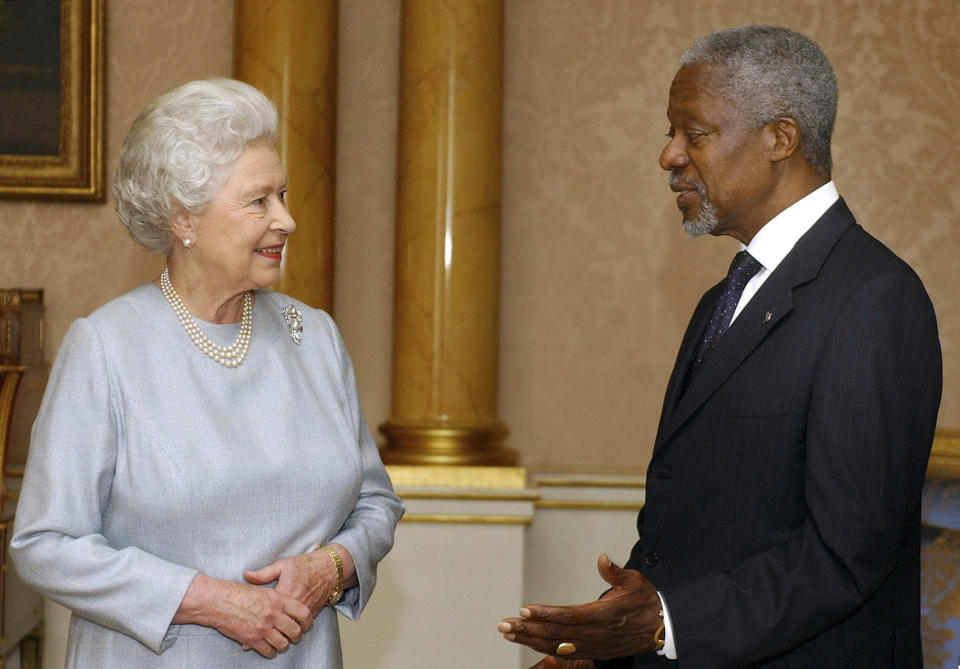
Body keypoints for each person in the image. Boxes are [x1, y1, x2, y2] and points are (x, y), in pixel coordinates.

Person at [498, 25, 942, 668]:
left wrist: (660, 627)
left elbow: (844, 556)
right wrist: (596, 647)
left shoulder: (873, 297)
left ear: (779, 139)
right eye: (671, 133)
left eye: (694, 133)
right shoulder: (723, 300)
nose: (669, 156)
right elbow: (695, 528)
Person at [11, 78, 404, 667]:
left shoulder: (314, 336)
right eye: (259, 200)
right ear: (182, 217)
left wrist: (332, 566)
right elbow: (46, 545)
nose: (287, 220)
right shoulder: (107, 349)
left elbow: (376, 503)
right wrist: (208, 600)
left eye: (284, 195)